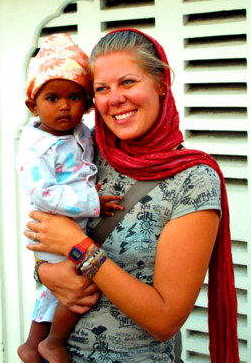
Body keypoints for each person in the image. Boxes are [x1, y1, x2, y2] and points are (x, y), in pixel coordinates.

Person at [24, 29, 239, 363]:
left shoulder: (193, 180)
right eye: (101, 89)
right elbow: (46, 234)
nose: (115, 99)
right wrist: (46, 271)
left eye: (127, 82)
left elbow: (164, 320)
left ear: (161, 84)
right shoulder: (87, 152)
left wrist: (80, 250)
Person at [16, 33, 122, 363]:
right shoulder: (35, 149)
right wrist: (93, 201)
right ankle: (54, 342)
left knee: (51, 290)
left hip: (76, 229)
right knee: (79, 286)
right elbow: (43, 194)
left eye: (75, 97)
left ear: (88, 104)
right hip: (54, 231)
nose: (64, 106)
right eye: (52, 98)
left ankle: (32, 345)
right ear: (33, 104)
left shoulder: (83, 133)